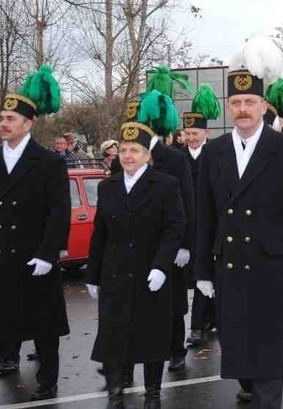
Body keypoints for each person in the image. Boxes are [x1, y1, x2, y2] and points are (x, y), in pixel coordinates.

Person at [195, 36, 283, 408]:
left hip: (273, 264)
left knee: (268, 347)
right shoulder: (213, 152)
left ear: (264, 105)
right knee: (238, 342)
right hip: (230, 264)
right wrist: (203, 269)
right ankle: (251, 387)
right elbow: (206, 215)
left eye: (249, 102)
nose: (242, 109)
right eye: (235, 103)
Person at [0, 66, 70, 408]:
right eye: (2, 117)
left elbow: (59, 210)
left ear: (28, 123)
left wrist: (48, 254)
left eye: (11, 118)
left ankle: (48, 381)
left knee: (43, 328)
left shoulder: (48, 163)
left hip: (33, 257)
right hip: (0, 257)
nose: (3, 123)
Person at [86, 120, 186, 409]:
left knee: (151, 337)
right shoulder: (108, 187)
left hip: (149, 272)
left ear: (147, 155)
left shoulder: (166, 185)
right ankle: (115, 394)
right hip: (115, 273)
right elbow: (100, 233)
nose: (128, 155)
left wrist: (161, 266)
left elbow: (174, 228)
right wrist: (93, 275)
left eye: (135, 150)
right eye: (124, 150)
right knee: (114, 337)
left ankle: (152, 394)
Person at [112, 89, 195, 376]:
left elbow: (187, 202)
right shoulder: (119, 160)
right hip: (133, 246)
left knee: (172, 304)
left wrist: (185, 244)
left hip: (167, 244)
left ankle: (175, 350)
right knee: (132, 306)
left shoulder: (174, 158)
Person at [182, 84, 219, 348]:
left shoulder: (218, 155)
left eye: (195, 133)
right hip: (185, 227)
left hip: (211, 226)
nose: (191, 138)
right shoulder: (177, 158)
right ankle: (198, 324)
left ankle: (203, 323)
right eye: (187, 133)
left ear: (206, 132)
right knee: (195, 278)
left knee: (209, 274)